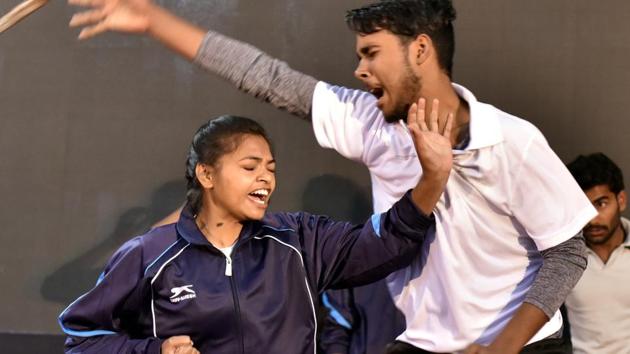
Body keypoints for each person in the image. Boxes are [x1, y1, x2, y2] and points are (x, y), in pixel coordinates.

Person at [67, 0, 597, 352]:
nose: (360, 70)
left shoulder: (511, 140)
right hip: (427, 341)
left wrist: (502, 348)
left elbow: (568, 251)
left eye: (371, 53)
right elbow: (267, 78)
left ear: (420, 49)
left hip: (521, 344)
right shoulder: (372, 123)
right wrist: (155, 21)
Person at [58, 111, 453, 354]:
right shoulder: (149, 255)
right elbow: (83, 335)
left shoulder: (298, 240)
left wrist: (432, 178)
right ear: (207, 174)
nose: (266, 176)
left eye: (271, 168)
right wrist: (153, 350)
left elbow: (382, 244)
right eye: (250, 166)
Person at [565, 153, 630, 354]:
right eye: (582, 207)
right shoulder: (563, 258)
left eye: (601, 204)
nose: (592, 219)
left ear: (621, 200)